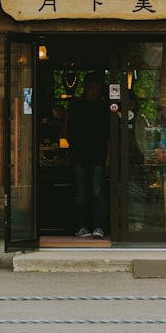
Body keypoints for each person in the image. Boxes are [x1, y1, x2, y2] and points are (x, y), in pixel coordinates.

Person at [66, 71, 110, 238]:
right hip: (79, 155)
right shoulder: (76, 107)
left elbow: (108, 134)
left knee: (98, 192)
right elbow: (69, 133)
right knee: (81, 193)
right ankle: (81, 226)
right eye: (92, 89)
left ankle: (99, 226)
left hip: (98, 155)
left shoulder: (104, 107)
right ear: (86, 88)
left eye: (97, 89)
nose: (95, 92)